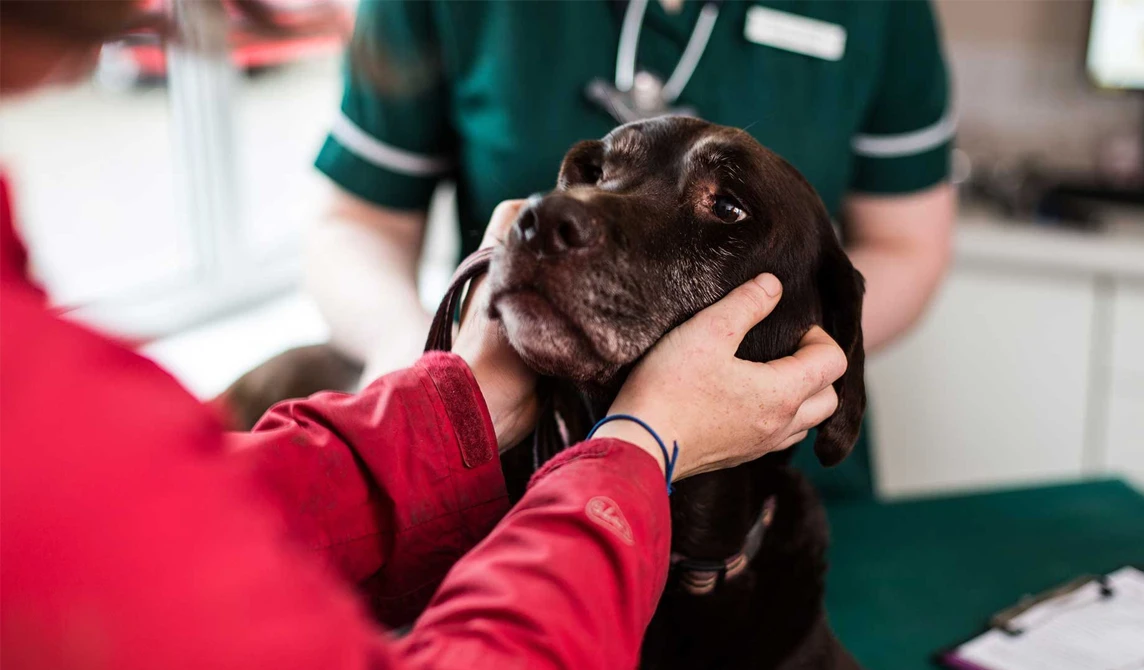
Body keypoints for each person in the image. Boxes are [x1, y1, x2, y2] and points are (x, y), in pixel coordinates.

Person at [0, 4, 848, 667]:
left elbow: (199, 521)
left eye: (724, 210)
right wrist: (640, 443)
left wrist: (462, 404)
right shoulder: (60, 431)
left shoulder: (57, 416)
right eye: (590, 174)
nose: (572, 208)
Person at [308, 0, 958, 497]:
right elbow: (356, 222)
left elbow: (905, 243)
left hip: (767, 489)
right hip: (507, 471)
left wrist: (777, 378)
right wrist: (420, 369)